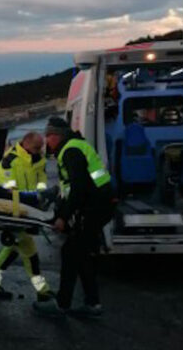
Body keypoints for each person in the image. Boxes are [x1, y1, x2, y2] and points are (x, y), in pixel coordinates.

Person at [35, 117, 116, 319]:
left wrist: (63, 217)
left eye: (48, 136)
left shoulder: (70, 151)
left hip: (94, 208)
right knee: (82, 255)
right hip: (98, 206)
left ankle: (63, 305)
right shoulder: (76, 146)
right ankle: (92, 303)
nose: (46, 141)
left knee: (71, 253)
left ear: (57, 135)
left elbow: (79, 188)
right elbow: (74, 186)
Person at [0, 131, 54, 302]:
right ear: (26, 143)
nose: (39, 151)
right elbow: (10, 192)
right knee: (27, 251)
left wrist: (41, 196)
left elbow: (42, 181)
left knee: (14, 249)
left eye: (40, 148)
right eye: (36, 147)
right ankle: (42, 290)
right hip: (15, 211)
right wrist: (34, 197)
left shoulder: (38, 159)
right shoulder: (9, 162)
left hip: (29, 211)